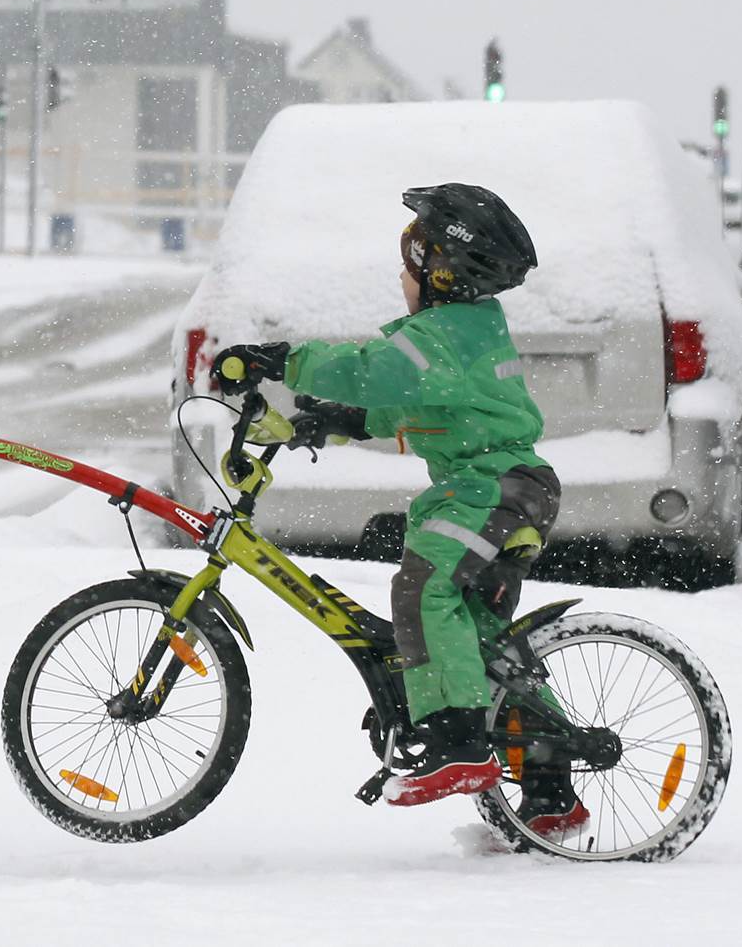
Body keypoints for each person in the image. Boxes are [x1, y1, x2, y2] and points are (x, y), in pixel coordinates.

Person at [212, 183, 585, 836]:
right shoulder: (460, 332)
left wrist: (280, 361)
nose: (404, 274)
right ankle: (552, 791)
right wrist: (324, 423)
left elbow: (368, 371)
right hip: (504, 484)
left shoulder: (439, 333)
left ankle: (461, 740)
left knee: (424, 586)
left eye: (414, 258)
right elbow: (402, 401)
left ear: (444, 269)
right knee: (480, 640)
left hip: (492, 487)